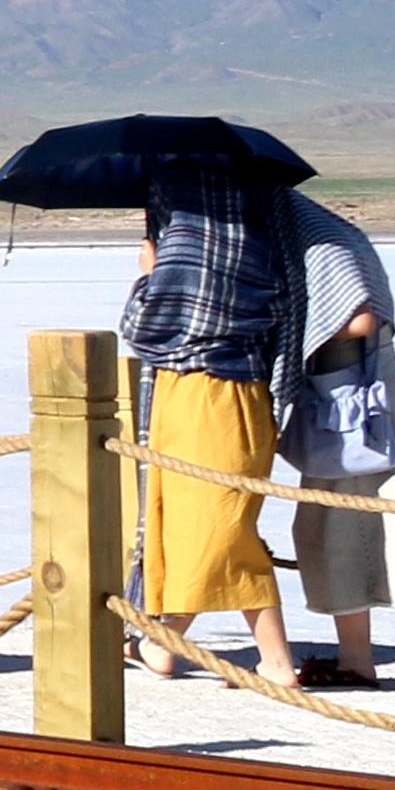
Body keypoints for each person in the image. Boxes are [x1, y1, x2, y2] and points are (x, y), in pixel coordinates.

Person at [121, 165, 304, 687]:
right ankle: (169, 643)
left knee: (218, 528)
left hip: (203, 397)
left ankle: (167, 639)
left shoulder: (188, 251)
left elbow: (145, 328)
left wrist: (148, 274)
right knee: (195, 524)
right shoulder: (261, 238)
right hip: (237, 396)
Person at [274, 186, 395, 686]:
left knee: (384, 522)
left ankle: (365, 656)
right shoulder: (319, 232)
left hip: (353, 404)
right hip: (351, 400)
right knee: (342, 525)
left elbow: (361, 318)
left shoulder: (320, 242)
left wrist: (291, 328)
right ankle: (355, 658)